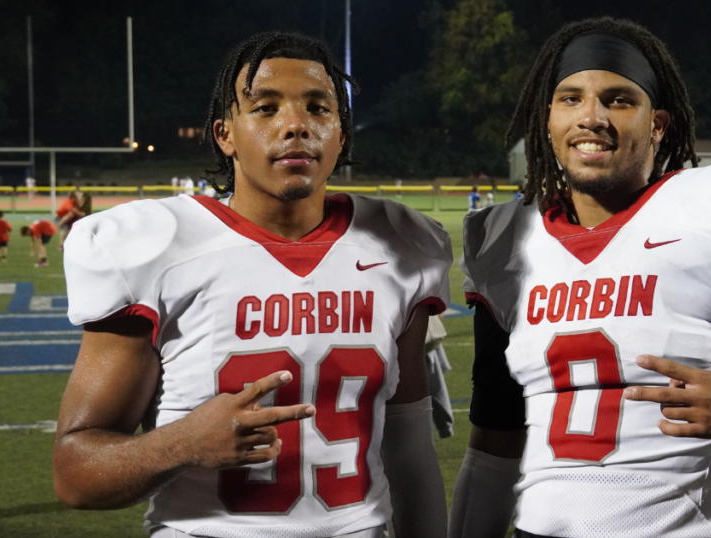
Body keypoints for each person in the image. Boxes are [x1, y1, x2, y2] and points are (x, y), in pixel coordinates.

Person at [449, 17, 711, 538]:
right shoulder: (505, 243)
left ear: (657, 124)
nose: (590, 117)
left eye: (618, 99)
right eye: (570, 98)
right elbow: (491, 452)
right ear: (547, 118)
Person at [52, 32, 451, 538]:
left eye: (318, 108)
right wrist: (181, 444)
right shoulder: (157, 250)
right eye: (265, 108)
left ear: (341, 134)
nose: (296, 126)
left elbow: (410, 446)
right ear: (225, 134)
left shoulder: (399, 246)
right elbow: (74, 475)